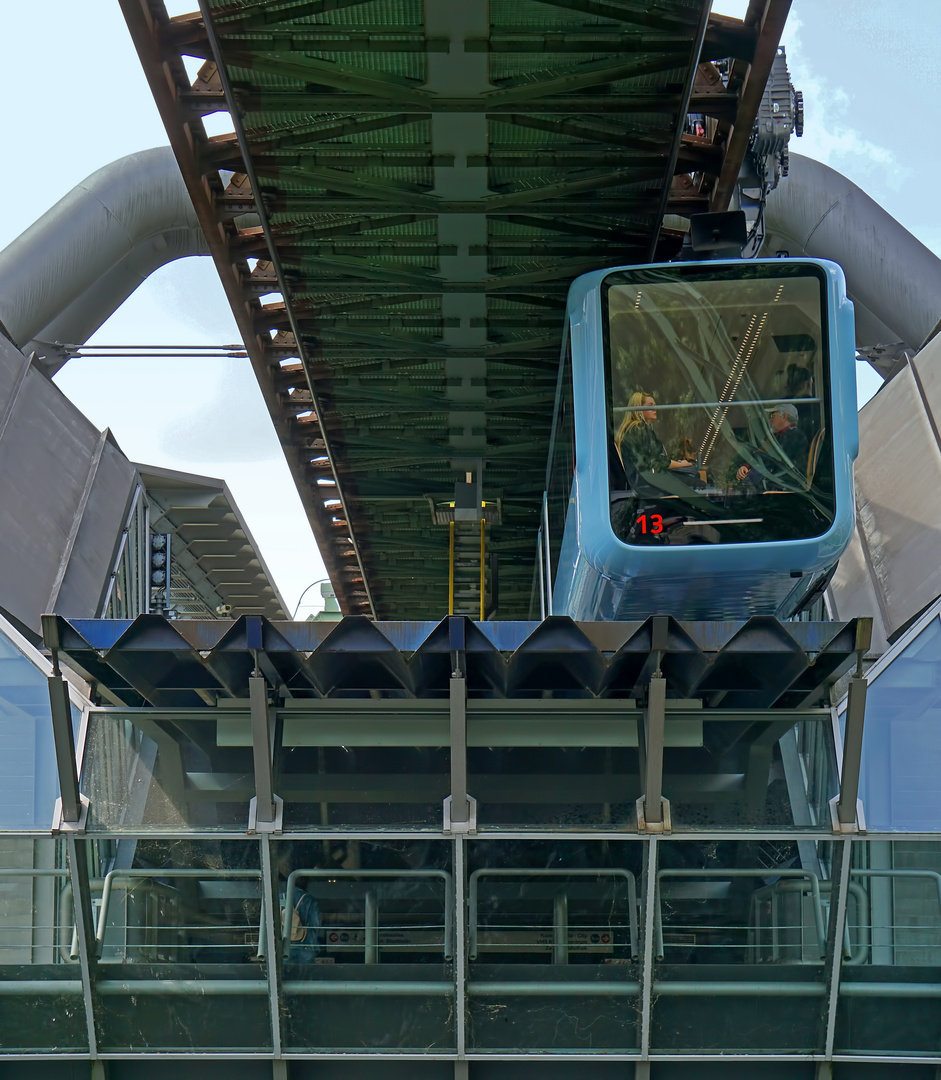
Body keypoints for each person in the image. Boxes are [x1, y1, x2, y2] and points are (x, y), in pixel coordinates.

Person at [615, 392, 697, 476]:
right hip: (646, 480)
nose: (655, 408)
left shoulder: (632, 428)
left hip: (641, 478)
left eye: (655, 405)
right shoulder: (640, 428)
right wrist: (681, 464)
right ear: (639, 409)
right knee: (693, 474)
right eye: (650, 405)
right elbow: (657, 461)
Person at [735, 402, 809, 485]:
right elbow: (762, 453)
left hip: (785, 485)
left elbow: (772, 460)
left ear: (784, 417)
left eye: (773, 416)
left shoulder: (794, 436)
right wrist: (746, 466)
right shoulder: (779, 436)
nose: (770, 420)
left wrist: (748, 481)